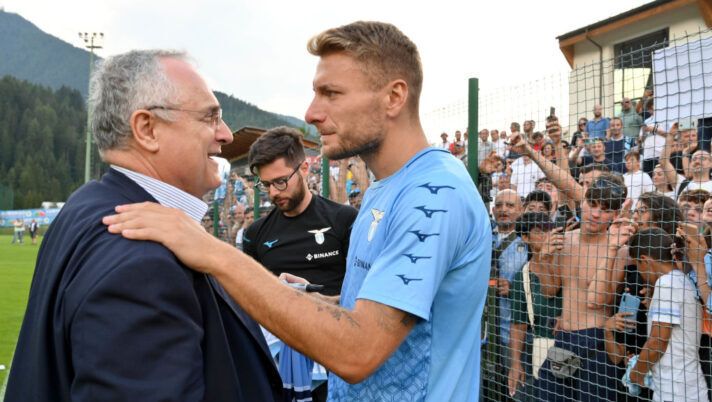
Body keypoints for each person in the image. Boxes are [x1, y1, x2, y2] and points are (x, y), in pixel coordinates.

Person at [105, 21, 490, 401]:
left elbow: (358, 351)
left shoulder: (434, 194)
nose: (311, 112)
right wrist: (299, 297)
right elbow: (370, 309)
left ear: (393, 97)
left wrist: (210, 251)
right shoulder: (384, 189)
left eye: (331, 93)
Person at [4, 50, 283, 402]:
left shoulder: (89, 204)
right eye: (210, 117)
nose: (225, 135)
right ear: (147, 129)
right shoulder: (140, 261)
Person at [533, 178, 631, 402]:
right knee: (549, 397)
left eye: (605, 210)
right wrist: (542, 258)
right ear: (583, 203)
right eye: (593, 204)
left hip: (596, 341)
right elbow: (550, 290)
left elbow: (598, 301)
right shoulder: (564, 240)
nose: (596, 214)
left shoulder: (620, 249)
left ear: (615, 216)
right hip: (565, 339)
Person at [244, 126, 357, 296]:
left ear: (304, 169)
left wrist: (318, 302)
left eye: (281, 181)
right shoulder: (255, 234)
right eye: (266, 185)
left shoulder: (344, 219)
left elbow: (364, 295)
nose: (273, 192)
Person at [627, 228, 709, 402]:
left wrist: (635, 374)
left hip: (675, 392)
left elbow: (658, 342)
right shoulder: (683, 279)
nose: (640, 274)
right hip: (688, 388)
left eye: (637, 267)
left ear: (644, 260)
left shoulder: (666, 284)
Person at [508, 212, 563, 400]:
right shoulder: (521, 278)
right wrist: (515, 363)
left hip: (572, 347)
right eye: (539, 231)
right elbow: (518, 324)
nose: (546, 236)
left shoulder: (567, 266)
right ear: (525, 237)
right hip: (542, 355)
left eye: (549, 230)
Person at [491, 189, 529, 390]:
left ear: (521, 210)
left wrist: (515, 289)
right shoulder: (482, 237)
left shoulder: (529, 243)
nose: (503, 210)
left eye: (510, 205)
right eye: (499, 205)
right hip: (483, 337)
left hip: (513, 337)